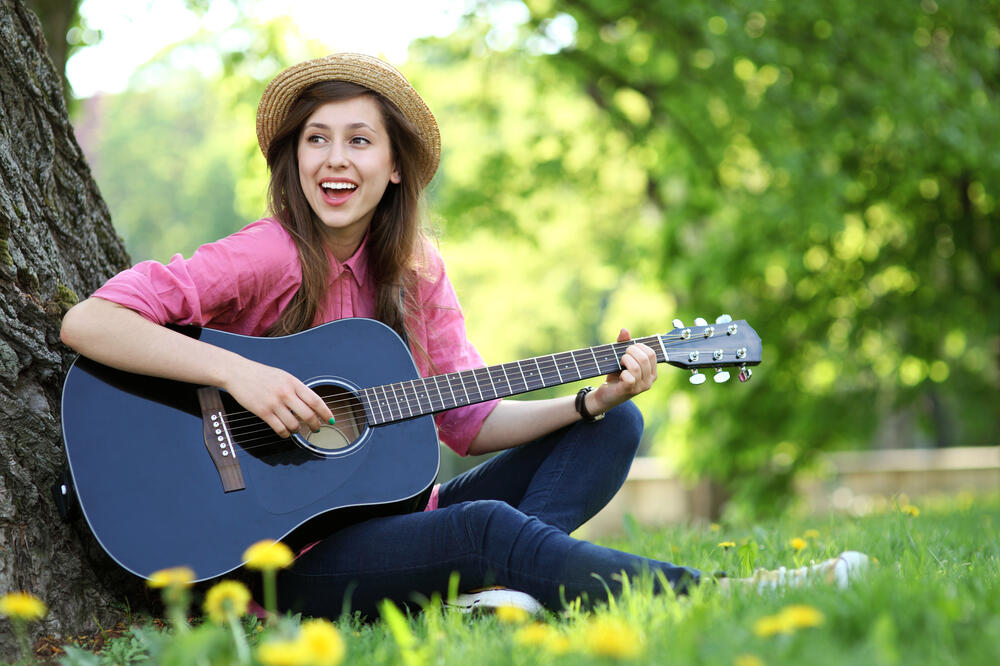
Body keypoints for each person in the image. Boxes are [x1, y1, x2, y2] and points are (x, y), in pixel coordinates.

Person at [60, 53, 865, 619]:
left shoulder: (415, 270)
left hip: (394, 522)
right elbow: (88, 321)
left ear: (396, 167)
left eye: (359, 140)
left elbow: (469, 422)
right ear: (292, 158)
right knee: (488, 532)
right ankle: (718, 592)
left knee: (614, 424)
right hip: (278, 559)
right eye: (317, 139)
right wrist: (240, 377)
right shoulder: (268, 253)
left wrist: (589, 397)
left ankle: (500, 589)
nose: (335, 162)